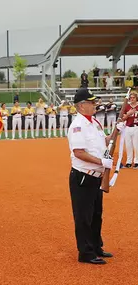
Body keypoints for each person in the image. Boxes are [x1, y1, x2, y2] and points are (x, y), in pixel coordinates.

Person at [67, 88, 114, 265]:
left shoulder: (94, 122)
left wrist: (116, 132)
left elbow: (103, 141)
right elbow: (78, 152)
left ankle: (95, 246)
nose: (95, 105)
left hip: (96, 176)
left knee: (96, 214)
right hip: (83, 176)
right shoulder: (78, 125)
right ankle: (85, 252)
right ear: (81, 106)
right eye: (91, 102)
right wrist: (101, 162)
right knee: (83, 216)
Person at [123, 91, 138, 168]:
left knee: (136, 145)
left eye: (133, 97)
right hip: (128, 127)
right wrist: (128, 114)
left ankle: (136, 162)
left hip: (136, 127)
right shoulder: (127, 107)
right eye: (131, 97)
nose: (132, 99)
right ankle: (128, 162)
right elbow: (123, 118)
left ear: (136, 98)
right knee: (128, 145)